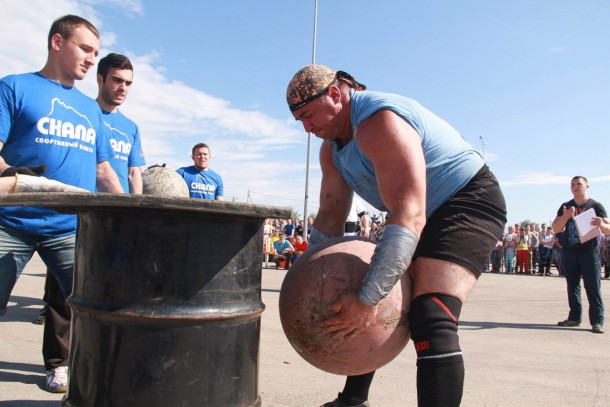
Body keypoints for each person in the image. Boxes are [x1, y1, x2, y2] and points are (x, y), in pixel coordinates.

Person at [286, 65, 506, 407]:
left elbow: (408, 217)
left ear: (334, 95)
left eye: (308, 115)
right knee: (356, 289)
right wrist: (302, 277)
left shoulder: (379, 122)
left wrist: (369, 298)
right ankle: (354, 399)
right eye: (299, 120)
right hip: (416, 212)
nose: (307, 127)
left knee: (431, 316)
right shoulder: (331, 149)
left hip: (466, 201)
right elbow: (330, 217)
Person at [0, 14, 123, 393]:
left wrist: (129, 211)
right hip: (10, 224)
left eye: (95, 52)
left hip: (68, 229)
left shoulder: (89, 110)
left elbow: (103, 170)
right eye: (85, 49)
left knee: (87, 306)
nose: (91, 59)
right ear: (57, 42)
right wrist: (16, 180)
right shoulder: (14, 88)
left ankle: (65, 367)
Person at [552, 176, 609, 334]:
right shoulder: (566, 206)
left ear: (587, 186)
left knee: (593, 287)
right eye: (573, 184)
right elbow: (556, 228)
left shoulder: (595, 206)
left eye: (579, 184)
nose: (576, 187)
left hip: (589, 252)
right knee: (572, 287)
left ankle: (597, 321)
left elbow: (608, 228)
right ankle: (574, 318)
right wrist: (565, 216)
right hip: (570, 252)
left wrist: (602, 224)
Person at [96, 53, 146, 193]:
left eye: (128, 83)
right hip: (88, 205)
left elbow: (134, 173)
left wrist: (136, 209)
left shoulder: (132, 128)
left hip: (120, 209)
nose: (123, 88)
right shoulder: (84, 115)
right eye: (117, 80)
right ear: (100, 80)